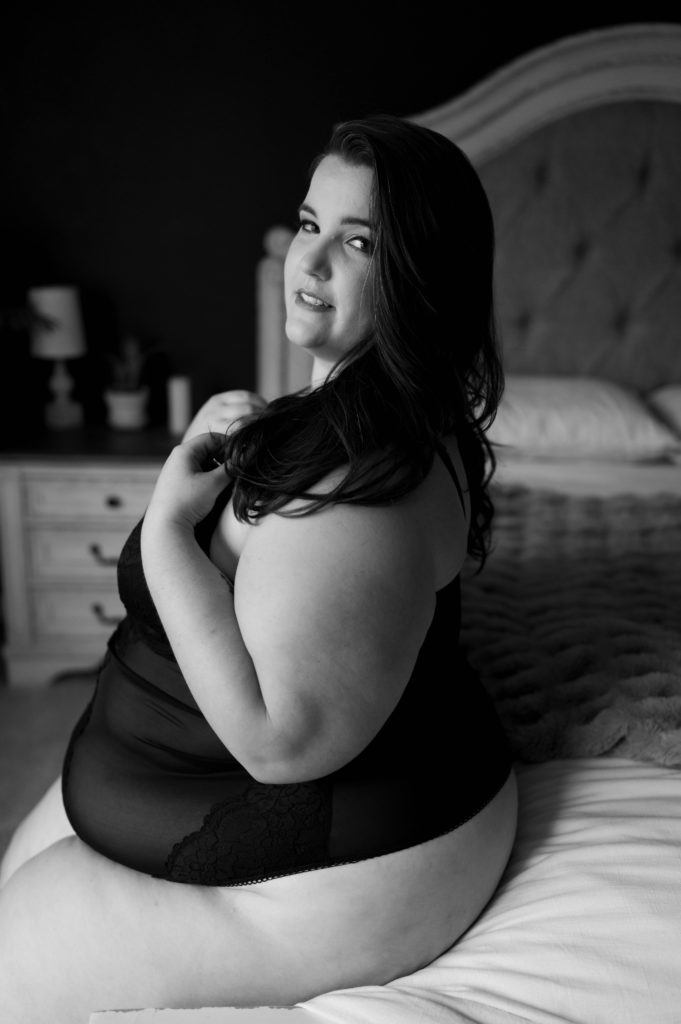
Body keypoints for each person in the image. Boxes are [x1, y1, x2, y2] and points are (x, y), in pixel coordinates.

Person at [0, 113, 517, 1020]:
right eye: (310, 224)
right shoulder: (356, 410)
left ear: (420, 279)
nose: (309, 263)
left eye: (357, 243)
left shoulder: (362, 485)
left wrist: (165, 527)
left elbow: (282, 740)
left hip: (326, 870)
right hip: (199, 793)